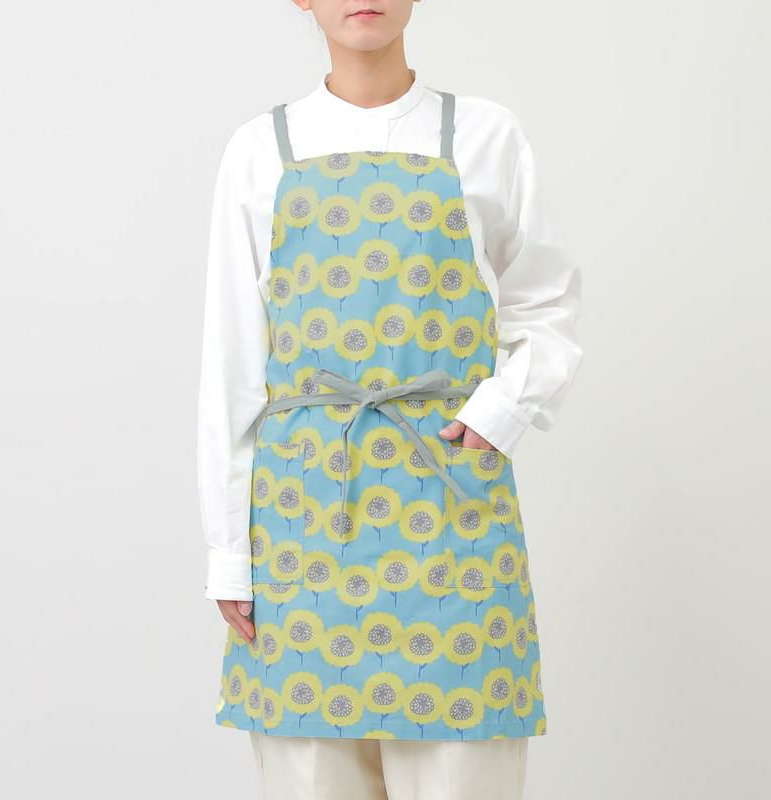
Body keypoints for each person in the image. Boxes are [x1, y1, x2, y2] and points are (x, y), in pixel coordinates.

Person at [196, 2, 583, 797]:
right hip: (303, 530)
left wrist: (501, 412)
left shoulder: (486, 136)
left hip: (451, 507)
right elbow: (232, 365)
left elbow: (546, 303)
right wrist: (229, 550)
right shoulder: (258, 150)